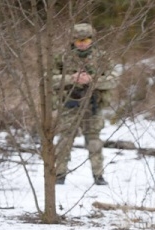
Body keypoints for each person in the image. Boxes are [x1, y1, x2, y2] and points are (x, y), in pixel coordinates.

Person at [52, 23, 119, 185]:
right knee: (64, 141)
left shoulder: (102, 57)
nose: (82, 43)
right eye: (78, 40)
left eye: (86, 39)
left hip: (92, 104)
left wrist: (92, 80)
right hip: (69, 104)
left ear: (92, 39)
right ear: (73, 40)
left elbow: (114, 79)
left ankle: (98, 175)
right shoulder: (62, 57)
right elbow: (48, 79)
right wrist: (70, 78)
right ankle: (60, 174)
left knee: (94, 141)